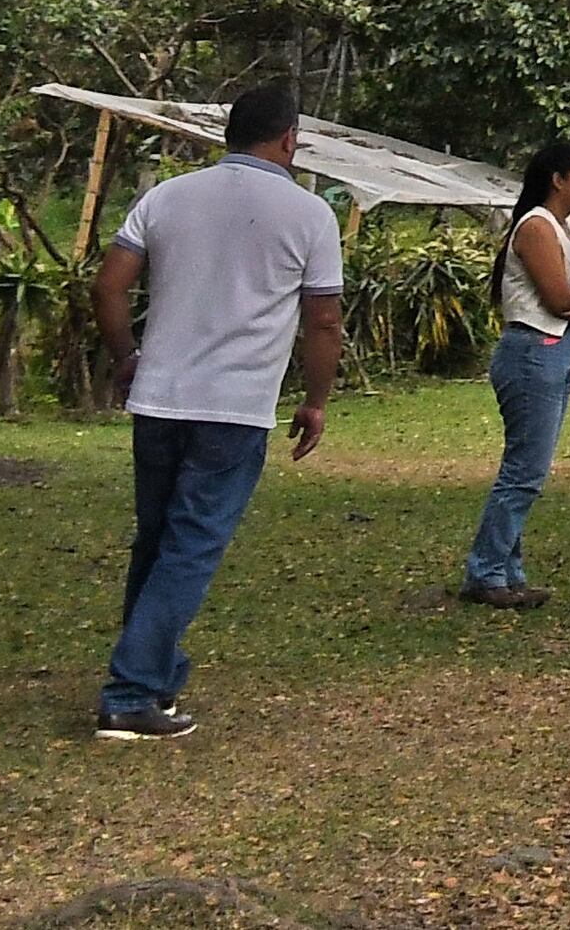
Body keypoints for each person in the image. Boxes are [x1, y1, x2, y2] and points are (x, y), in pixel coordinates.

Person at [85, 80, 343, 740]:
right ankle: (131, 689)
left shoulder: (167, 195)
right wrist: (315, 400)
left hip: (160, 397)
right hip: (233, 405)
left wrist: (125, 355)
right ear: (290, 138)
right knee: (192, 543)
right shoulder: (310, 214)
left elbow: (109, 284)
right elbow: (322, 320)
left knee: (159, 537)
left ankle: (154, 673)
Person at [461, 141, 570, 606]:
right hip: (534, 349)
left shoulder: (567, 229)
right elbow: (563, 299)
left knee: (527, 468)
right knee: (526, 471)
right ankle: (485, 572)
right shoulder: (537, 226)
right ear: (557, 179)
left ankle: (507, 569)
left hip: (558, 349)